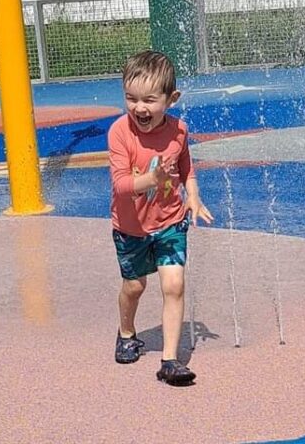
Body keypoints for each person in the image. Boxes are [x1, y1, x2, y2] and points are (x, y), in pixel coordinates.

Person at [107, 49, 214, 386]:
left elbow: (186, 168)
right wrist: (151, 180)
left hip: (170, 221)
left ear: (172, 99)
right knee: (135, 286)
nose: (140, 108)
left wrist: (193, 197)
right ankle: (126, 332)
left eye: (150, 100)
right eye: (131, 98)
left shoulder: (179, 130)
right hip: (131, 227)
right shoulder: (120, 133)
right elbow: (122, 185)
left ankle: (170, 360)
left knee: (174, 285)